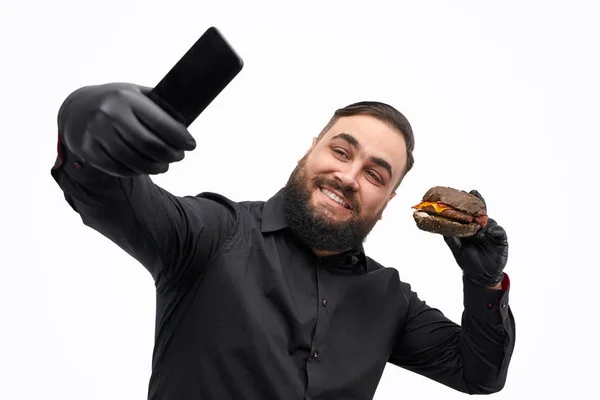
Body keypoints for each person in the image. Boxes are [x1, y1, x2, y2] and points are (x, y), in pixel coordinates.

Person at [50, 82, 515, 400]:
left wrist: (485, 283)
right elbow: (104, 193)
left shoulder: (389, 298)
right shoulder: (214, 233)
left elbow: (479, 372)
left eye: (375, 173)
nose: (349, 176)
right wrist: (85, 118)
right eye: (340, 151)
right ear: (310, 149)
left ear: (389, 198)